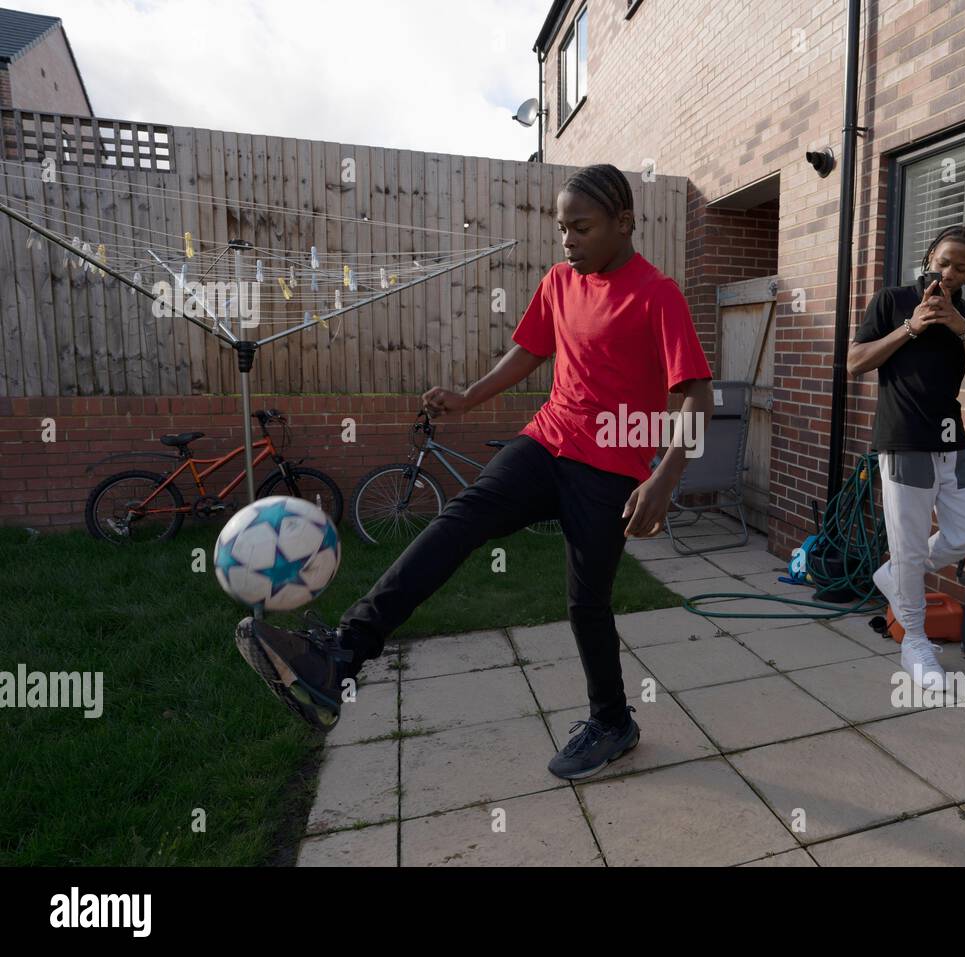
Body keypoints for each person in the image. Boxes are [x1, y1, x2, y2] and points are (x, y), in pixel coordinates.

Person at [235, 164, 714, 780]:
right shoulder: (560, 283)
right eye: (561, 229)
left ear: (624, 224)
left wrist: (666, 474)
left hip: (611, 470)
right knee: (458, 521)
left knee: (586, 602)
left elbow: (696, 394)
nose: (567, 241)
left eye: (582, 228)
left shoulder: (658, 293)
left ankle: (613, 720)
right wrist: (469, 397)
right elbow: (532, 349)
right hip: (546, 441)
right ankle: (342, 655)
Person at [847, 225, 965, 692]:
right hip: (904, 439)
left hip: (952, 441)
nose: (948, 273)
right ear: (930, 255)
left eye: (961, 268)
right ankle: (914, 641)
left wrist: (962, 329)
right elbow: (856, 362)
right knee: (910, 544)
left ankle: (896, 573)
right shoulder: (892, 301)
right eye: (944, 261)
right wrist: (911, 327)